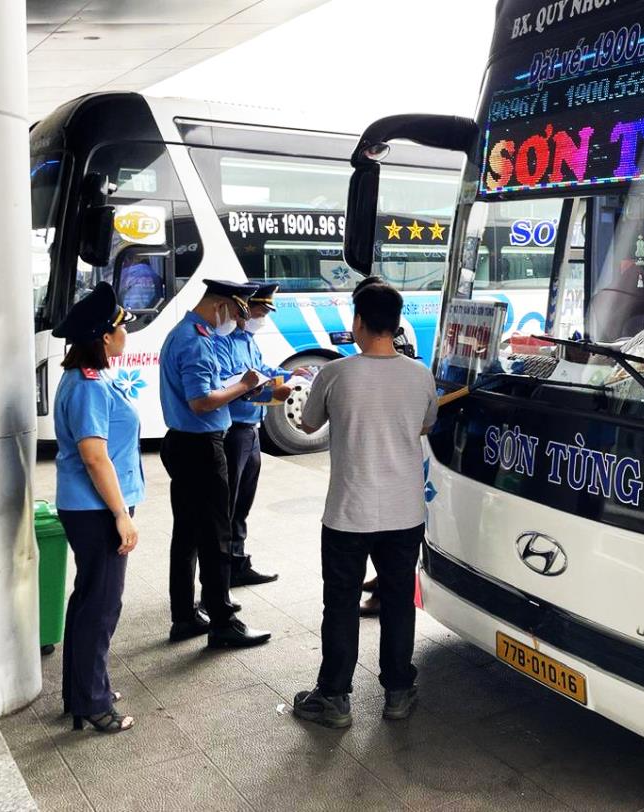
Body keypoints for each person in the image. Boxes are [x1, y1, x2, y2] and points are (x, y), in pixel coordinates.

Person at [293, 277, 437, 728]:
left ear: (358, 321)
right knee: (397, 601)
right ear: (395, 324)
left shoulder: (335, 373)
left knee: (340, 604)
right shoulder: (420, 374)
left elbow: (307, 423)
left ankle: (334, 697)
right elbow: (425, 424)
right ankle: (398, 691)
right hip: (404, 512)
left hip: (348, 513)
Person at [159, 278, 272, 648]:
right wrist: (244, 385)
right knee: (215, 535)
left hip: (182, 443)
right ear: (221, 305)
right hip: (201, 447)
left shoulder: (183, 332)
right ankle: (223, 621)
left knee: (187, 533)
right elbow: (202, 401)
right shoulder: (197, 341)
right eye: (237, 312)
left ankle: (184, 616)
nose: (238, 321)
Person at [52, 283, 143, 734]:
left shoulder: (91, 376)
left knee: (89, 598)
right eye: (122, 327)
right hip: (96, 510)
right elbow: (94, 455)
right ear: (105, 337)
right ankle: (92, 703)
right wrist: (120, 515)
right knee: (102, 605)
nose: (127, 333)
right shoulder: (87, 385)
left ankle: (82, 689)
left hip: (91, 506)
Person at [213, 283, 311, 586]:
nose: (263, 318)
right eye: (260, 311)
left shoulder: (248, 341)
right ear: (245, 309)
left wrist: (289, 374)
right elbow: (233, 386)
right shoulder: (224, 343)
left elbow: (261, 370)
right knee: (227, 507)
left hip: (251, 431)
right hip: (234, 431)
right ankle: (221, 573)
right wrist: (273, 393)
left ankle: (238, 562)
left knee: (242, 503)